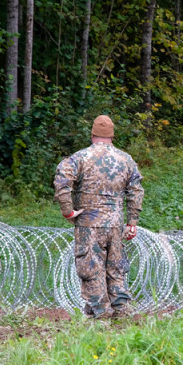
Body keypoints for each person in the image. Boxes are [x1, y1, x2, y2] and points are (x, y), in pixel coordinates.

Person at [53, 115, 144, 319]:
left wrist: (68, 211)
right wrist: (132, 222)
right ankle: (121, 312)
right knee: (116, 269)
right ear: (112, 135)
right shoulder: (126, 159)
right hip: (115, 224)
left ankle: (100, 313)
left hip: (89, 224)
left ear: (92, 134)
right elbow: (136, 191)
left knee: (91, 268)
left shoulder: (79, 158)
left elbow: (62, 182)